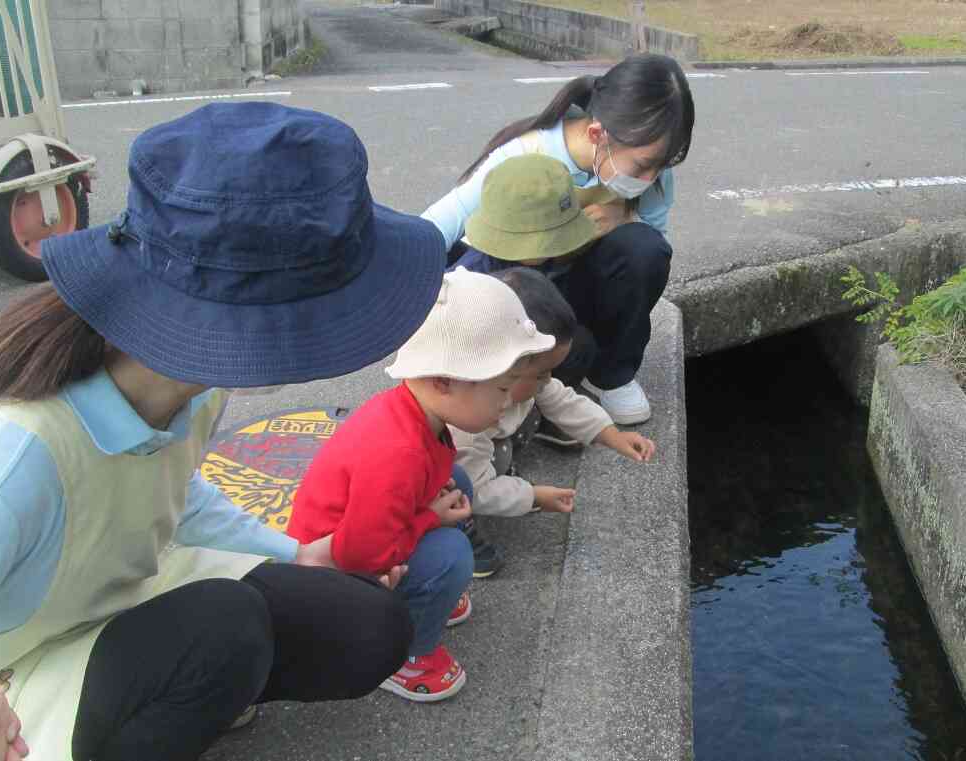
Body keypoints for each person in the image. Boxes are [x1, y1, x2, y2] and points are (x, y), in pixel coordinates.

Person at [0, 102, 448, 761]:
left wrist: (293, 551)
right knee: (226, 631)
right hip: (8, 673)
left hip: (121, 588)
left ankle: (186, 686)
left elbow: (168, 488)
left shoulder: (192, 375)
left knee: (369, 625)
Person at [286, 268, 554, 702]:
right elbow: (357, 552)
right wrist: (429, 518)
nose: (508, 402)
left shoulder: (413, 412)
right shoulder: (397, 451)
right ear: (444, 381)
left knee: (459, 481)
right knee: (450, 557)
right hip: (331, 574)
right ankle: (406, 656)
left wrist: (428, 512)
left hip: (363, 535)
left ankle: (425, 600)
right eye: (501, 389)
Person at [422, 53, 695, 426]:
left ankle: (611, 375)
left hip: (573, 292)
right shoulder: (528, 154)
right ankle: (511, 380)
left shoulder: (653, 176)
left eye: (662, 165)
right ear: (597, 134)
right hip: (522, 295)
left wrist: (627, 218)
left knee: (644, 248)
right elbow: (441, 223)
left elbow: (652, 256)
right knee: (568, 347)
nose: (651, 178)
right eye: (644, 164)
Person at [451, 268, 656, 571]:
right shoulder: (465, 422)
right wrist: (532, 496)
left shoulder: (512, 386)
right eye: (540, 373)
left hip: (489, 441)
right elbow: (478, 490)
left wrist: (612, 435)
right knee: (463, 484)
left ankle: (503, 475)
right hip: (451, 473)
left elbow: (563, 400)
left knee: (530, 414)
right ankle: (459, 529)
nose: (549, 380)